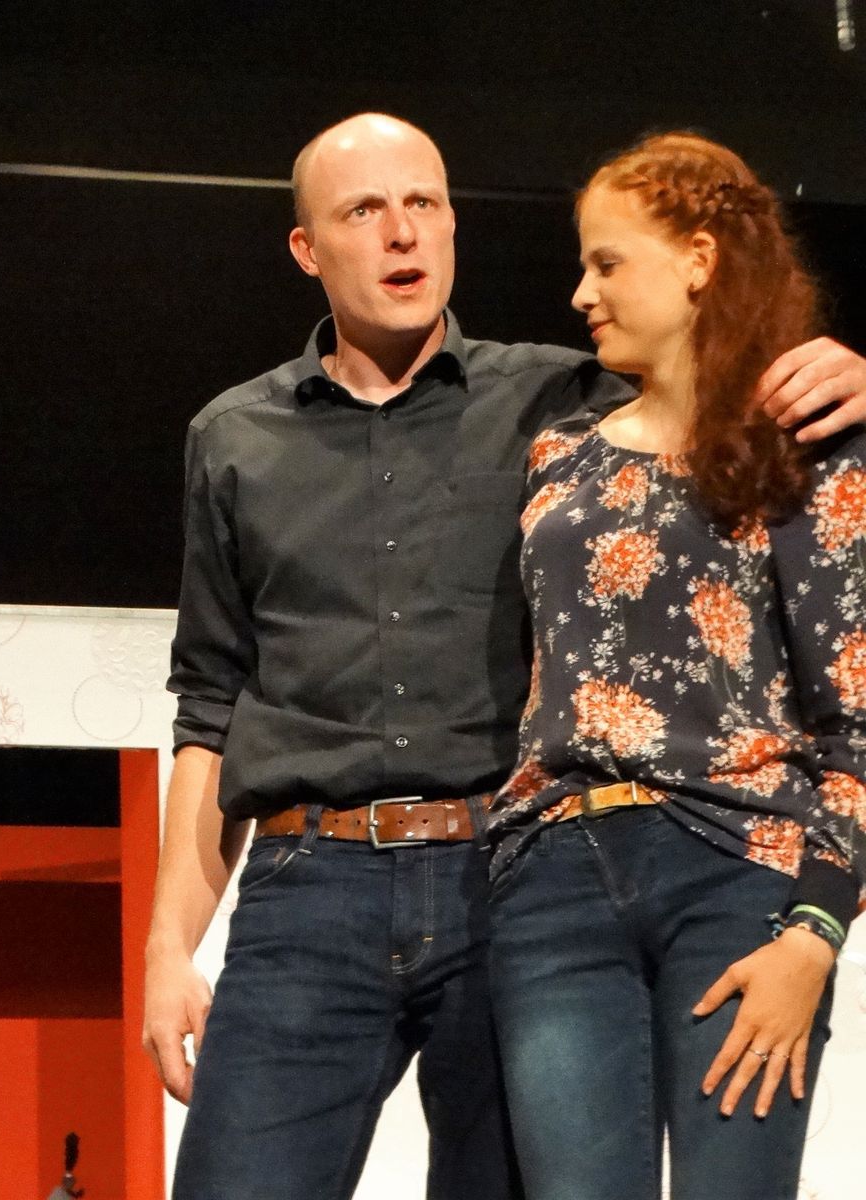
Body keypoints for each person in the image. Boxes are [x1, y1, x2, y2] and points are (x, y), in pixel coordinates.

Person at [142, 112, 866, 1200]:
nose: (402, 233)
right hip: (312, 885)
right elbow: (210, 704)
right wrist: (167, 952)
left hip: (505, 873)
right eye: (364, 211)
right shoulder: (233, 437)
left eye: (424, 204)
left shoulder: (562, 400)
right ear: (306, 247)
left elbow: (712, 376)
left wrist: (852, 375)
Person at [486, 132, 865, 1200]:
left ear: (699, 260)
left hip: (737, 873)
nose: (580, 292)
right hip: (553, 877)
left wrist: (814, 932)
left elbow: (857, 723)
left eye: (607, 263)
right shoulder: (560, 452)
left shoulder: (805, 442)